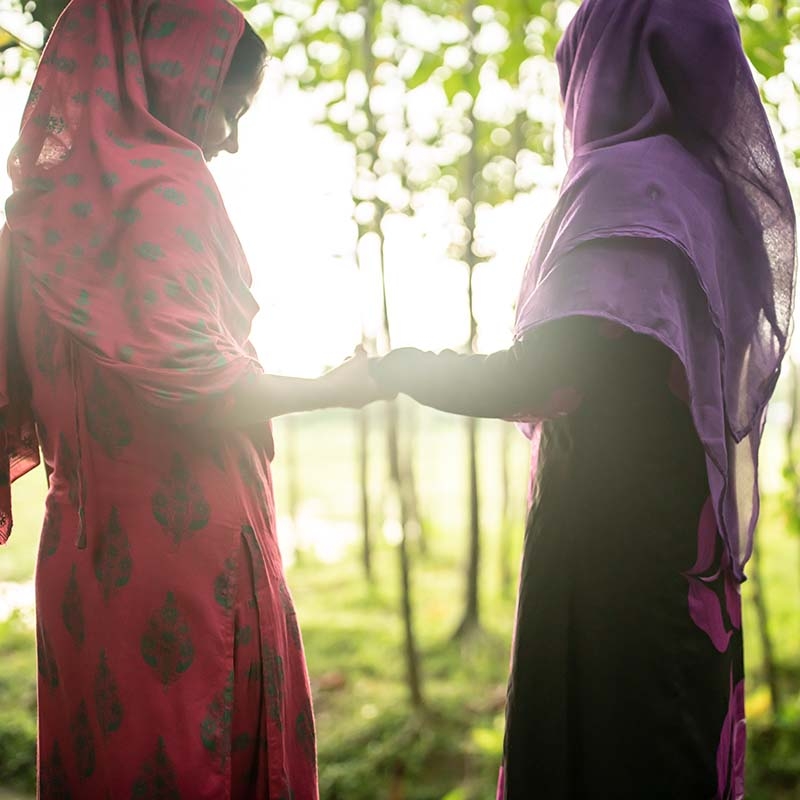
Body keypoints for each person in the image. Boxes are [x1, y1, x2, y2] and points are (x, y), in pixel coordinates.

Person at [370, 1, 795, 798]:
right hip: (684, 570)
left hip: (609, 583)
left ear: (600, 63)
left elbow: (546, 378)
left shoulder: (623, 185)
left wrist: (396, 369)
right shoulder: (711, 193)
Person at [0, 1, 386, 797]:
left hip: (78, 562)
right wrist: (337, 389)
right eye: (226, 108)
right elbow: (203, 388)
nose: (229, 139)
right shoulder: (169, 189)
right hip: (192, 559)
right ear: (171, 76)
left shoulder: (29, 227)